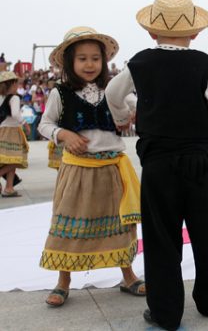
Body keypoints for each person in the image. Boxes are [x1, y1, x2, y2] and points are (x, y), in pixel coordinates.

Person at [105, 0, 208, 330]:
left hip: (158, 162)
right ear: (194, 31)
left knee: (162, 237)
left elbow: (111, 93)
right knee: (207, 232)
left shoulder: (140, 62)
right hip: (196, 159)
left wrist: (124, 115)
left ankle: (165, 311)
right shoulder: (204, 63)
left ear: (151, 31)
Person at [38, 26, 144, 307]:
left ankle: (129, 276)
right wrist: (64, 134)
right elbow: (44, 124)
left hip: (111, 169)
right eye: (82, 58)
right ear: (70, 63)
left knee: (120, 224)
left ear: (104, 62)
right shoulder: (60, 93)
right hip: (77, 172)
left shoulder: (113, 90)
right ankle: (63, 281)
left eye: (95, 58)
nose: (89, 64)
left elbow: (137, 107)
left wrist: (129, 115)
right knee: (70, 223)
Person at [0, 70, 30, 197]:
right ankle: (8, 187)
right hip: (11, 131)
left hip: (2, 130)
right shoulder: (15, 97)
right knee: (15, 160)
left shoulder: (1, 97)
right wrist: (25, 123)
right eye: (16, 83)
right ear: (12, 84)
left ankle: (9, 188)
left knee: (10, 160)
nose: (18, 85)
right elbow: (16, 114)